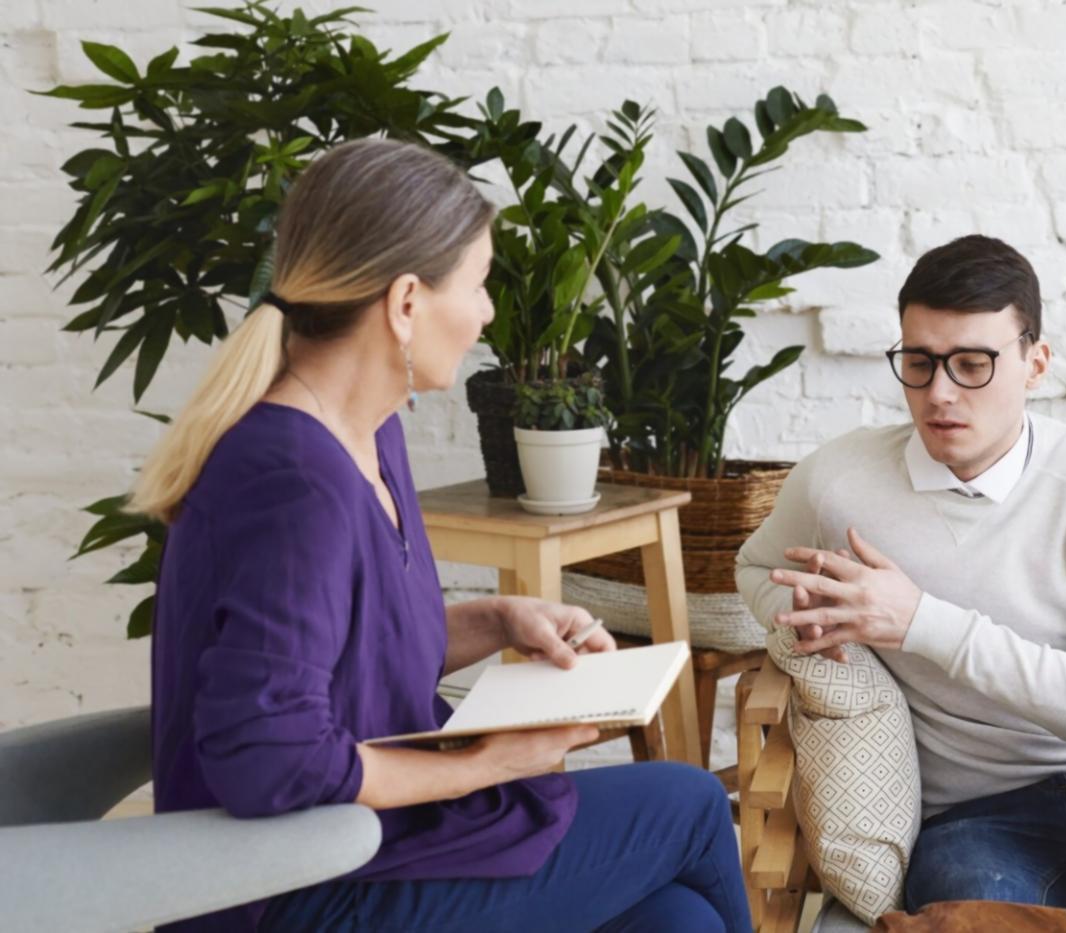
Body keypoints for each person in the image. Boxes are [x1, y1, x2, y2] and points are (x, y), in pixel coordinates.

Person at [135, 138, 750, 933]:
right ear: (404, 304)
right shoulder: (294, 479)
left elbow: (342, 652)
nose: (488, 312)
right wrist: (484, 767)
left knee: (677, 921)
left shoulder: (369, 437)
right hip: (294, 891)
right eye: (479, 284)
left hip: (368, 846)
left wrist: (497, 621)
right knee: (693, 802)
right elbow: (268, 757)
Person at [735, 235, 1066, 931]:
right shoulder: (840, 479)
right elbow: (752, 567)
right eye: (918, 363)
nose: (939, 392)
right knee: (961, 900)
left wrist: (922, 622)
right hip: (974, 821)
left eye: (972, 364)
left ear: (1033, 363)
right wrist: (807, 612)